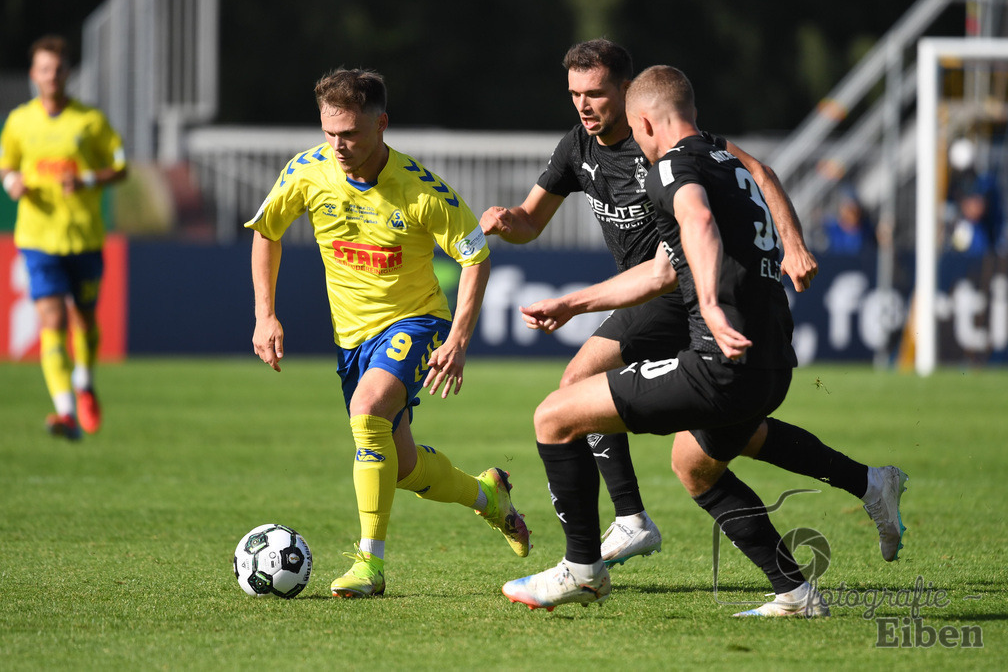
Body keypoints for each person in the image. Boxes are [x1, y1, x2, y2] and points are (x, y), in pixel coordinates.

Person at [502, 65, 907, 616]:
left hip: (720, 359)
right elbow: (662, 270)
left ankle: (585, 567)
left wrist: (711, 305)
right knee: (695, 466)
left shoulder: (672, 166)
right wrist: (572, 304)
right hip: (772, 361)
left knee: (555, 415)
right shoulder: (725, 162)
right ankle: (797, 591)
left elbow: (695, 224)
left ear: (644, 121)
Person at [482, 39, 819, 567]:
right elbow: (531, 220)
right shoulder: (576, 147)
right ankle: (866, 482)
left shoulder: (666, 143)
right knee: (726, 436)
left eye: (595, 93)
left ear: (627, 90)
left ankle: (629, 521)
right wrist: (508, 222)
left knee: (577, 386)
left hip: (671, 290)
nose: (583, 105)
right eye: (575, 94)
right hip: (650, 293)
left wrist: (793, 243)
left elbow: (759, 172)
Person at [246, 68, 530, 599]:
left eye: (350, 133)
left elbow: (475, 257)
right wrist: (266, 314)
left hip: (416, 321)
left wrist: (458, 339)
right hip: (351, 339)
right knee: (400, 467)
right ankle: (488, 496)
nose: (338, 145)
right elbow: (266, 231)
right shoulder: (307, 171)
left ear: (381, 125)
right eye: (329, 132)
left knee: (368, 409)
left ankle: (369, 565)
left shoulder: (422, 190)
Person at [0, 35, 128, 440]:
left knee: (84, 318)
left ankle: (84, 381)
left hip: (83, 238)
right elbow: (5, 164)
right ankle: (65, 412)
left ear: (67, 73)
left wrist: (86, 179)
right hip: (37, 239)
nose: (50, 76)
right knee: (52, 318)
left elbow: (120, 167)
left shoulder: (89, 121)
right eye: (43, 69)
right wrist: (12, 182)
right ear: (33, 74)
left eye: (57, 69)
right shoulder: (19, 121)